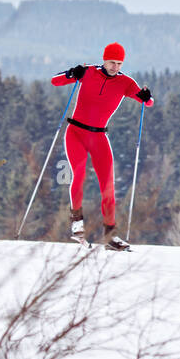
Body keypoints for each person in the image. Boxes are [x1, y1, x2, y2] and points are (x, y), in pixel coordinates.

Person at [49, 42, 153, 250]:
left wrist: (145, 97)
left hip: (99, 137)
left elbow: (147, 102)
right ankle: (76, 222)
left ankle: (110, 236)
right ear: (104, 60)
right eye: (112, 62)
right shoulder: (87, 72)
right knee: (79, 174)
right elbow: (55, 81)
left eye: (119, 63)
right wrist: (71, 74)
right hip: (75, 132)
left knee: (108, 186)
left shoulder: (125, 82)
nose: (115, 67)